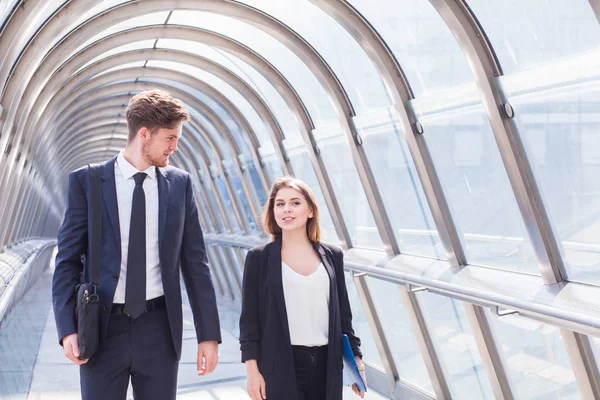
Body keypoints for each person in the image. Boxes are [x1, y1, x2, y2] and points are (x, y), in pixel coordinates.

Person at [52, 89, 221, 400]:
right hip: (101, 329)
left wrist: (209, 336)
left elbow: (196, 264)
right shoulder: (87, 182)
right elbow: (67, 261)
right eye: (170, 138)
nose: (175, 146)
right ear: (145, 134)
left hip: (159, 329)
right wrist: (67, 329)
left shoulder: (179, 184)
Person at [239, 176, 367, 400]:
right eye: (280, 204)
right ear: (273, 212)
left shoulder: (332, 256)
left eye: (295, 202)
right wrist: (253, 373)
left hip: (327, 365)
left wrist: (357, 362)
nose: (286, 209)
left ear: (310, 211)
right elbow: (249, 321)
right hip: (279, 365)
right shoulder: (259, 258)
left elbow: (343, 317)